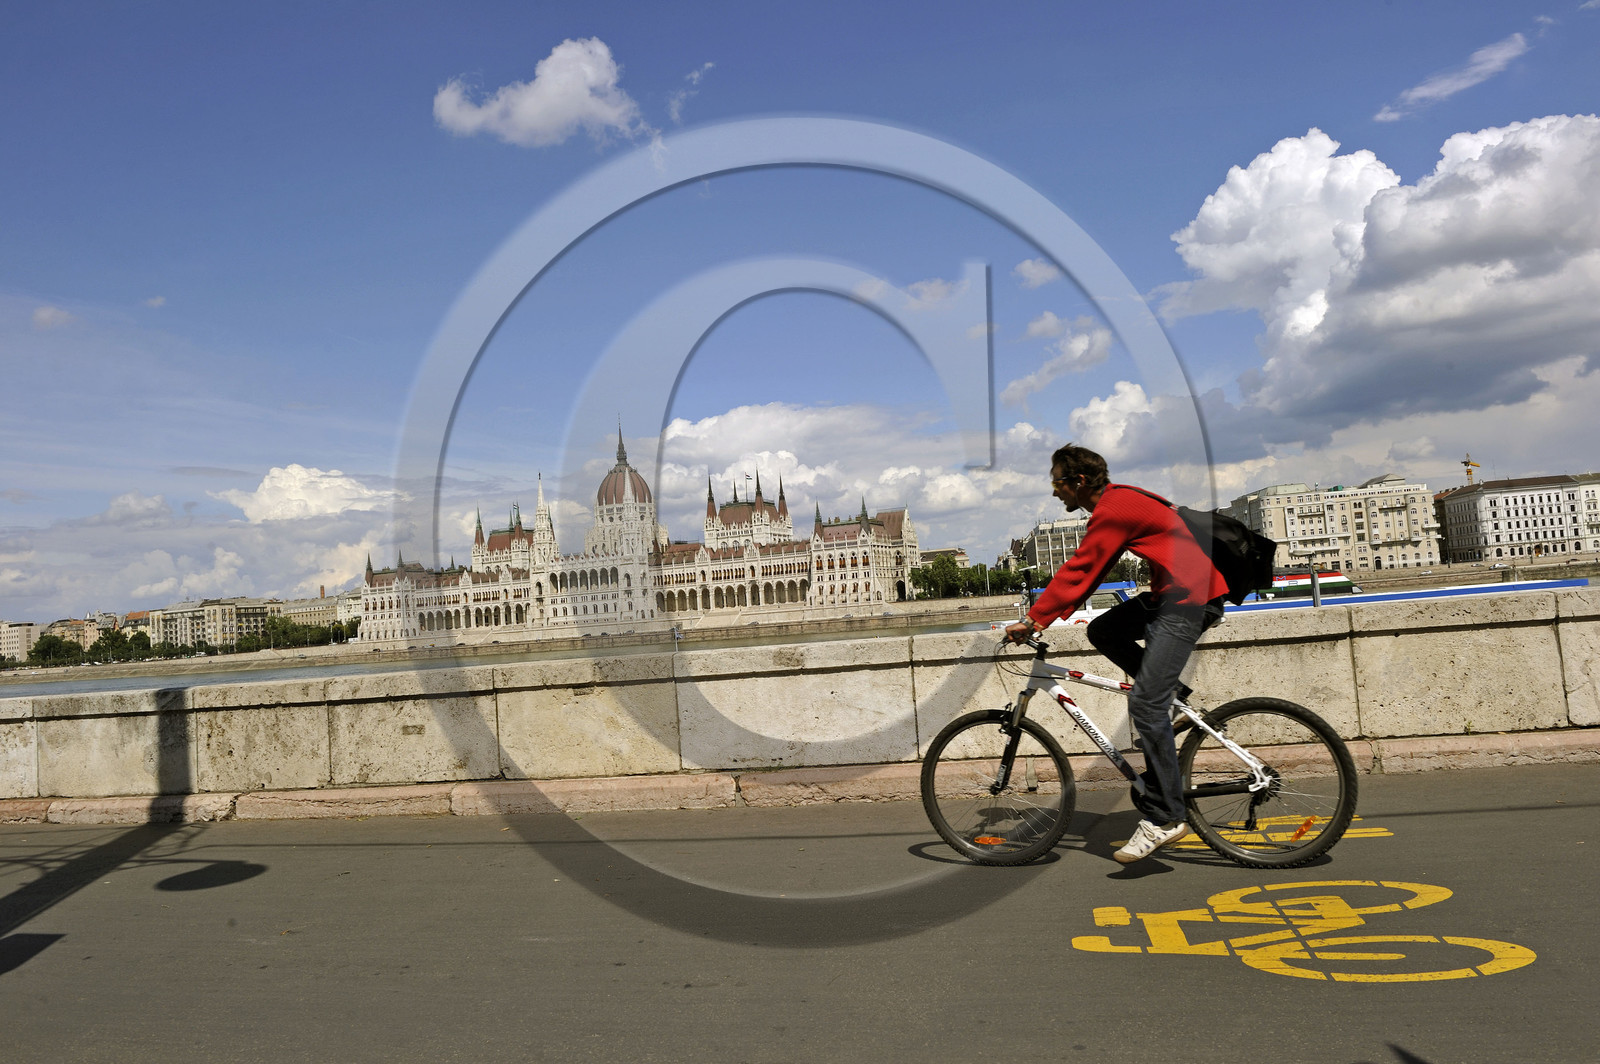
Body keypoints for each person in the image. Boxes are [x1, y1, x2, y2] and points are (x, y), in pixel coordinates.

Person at [1005, 444, 1227, 864]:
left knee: (1145, 705)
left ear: (1078, 481)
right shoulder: (1120, 499)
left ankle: (1166, 817)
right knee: (1104, 629)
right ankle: (1172, 694)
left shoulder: (1113, 509)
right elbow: (1092, 572)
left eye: (1057, 483)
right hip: (1175, 596)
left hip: (1188, 601)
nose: (1055, 493)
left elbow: (1083, 568)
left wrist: (1035, 621)